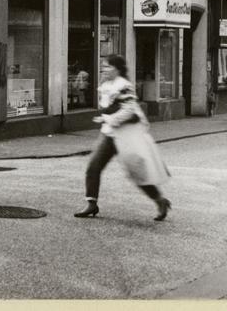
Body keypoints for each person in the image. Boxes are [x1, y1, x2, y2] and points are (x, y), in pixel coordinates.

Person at [73, 54, 171, 221]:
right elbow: (109, 107)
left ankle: (160, 200)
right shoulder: (106, 85)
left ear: (117, 69)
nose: (104, 69)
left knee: (137, 171)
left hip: (127, 135)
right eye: (104, 66)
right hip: (109, 134)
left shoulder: (124, 86)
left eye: (108, 66)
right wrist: (106, 117)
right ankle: (91, 203)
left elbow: (129, 110)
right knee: (93, 166)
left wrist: (109, 118)